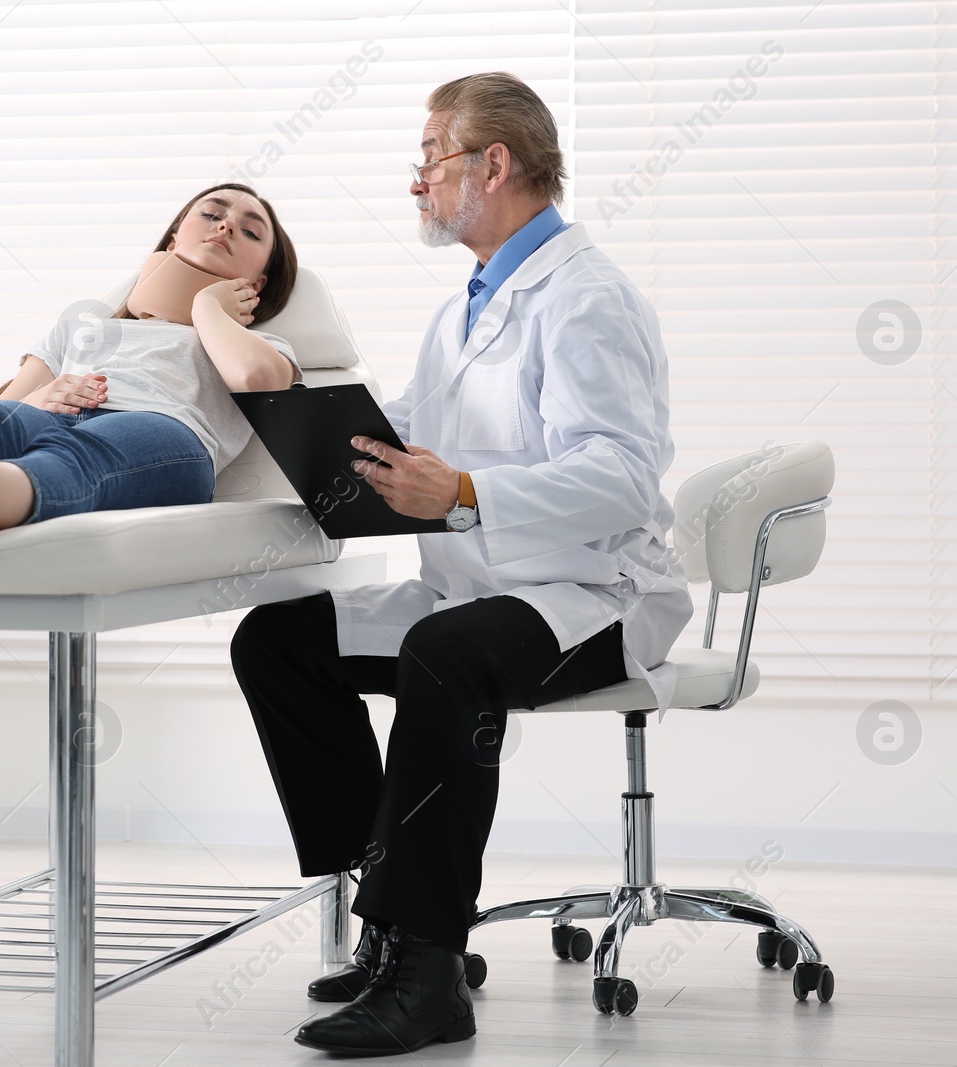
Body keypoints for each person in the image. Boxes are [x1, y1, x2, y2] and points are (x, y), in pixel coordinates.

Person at [229, 72, 693, 1056]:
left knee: (447, 653)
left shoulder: (585, 296)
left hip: (593, 595)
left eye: (430, 160)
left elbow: (619, 476)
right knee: (278, 638)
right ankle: (392, 913)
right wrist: (314, 436)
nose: (417, 184)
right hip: (483, 588)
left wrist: (466, 493)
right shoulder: (465, 311)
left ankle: (429, 970)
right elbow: (412, 436)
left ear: (494, 163)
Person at [0, 183, 301, 550]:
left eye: (251, 230)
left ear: (258, 280)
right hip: (54, 415)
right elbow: (0, 409)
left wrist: (208, 308)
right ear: (173, 240)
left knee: (79, 457)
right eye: (211, 213)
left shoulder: (258, 344)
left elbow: (257, 381)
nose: (226, 224)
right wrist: (38, 400)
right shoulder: (83, 327)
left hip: (167, 438)